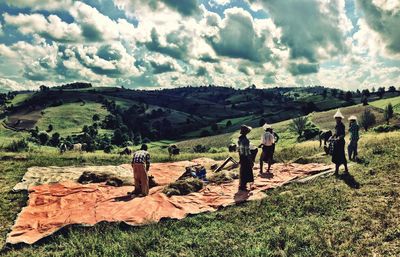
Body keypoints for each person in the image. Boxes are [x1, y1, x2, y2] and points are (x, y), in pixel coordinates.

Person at [332, 109, 349, 175]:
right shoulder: (336, 125)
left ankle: (337, 171)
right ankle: (342, 170)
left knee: (340, 155)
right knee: (337, 156)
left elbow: (343, 134)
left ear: (340, 118)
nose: (336, 119)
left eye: (337, 118)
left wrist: (338, 138)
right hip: (337, 142)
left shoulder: (342, 125)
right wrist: (332, 136)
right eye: (336, 118)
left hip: (341, 142)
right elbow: (336, 133)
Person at [238, 125, 254, 191]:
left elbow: (239, 150)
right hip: (245, 157)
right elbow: (247, 152)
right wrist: (251, 160)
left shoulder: (240, 139)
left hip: (241, 156)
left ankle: (242, 185)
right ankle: (243, 186)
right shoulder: (246, 140)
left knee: (242, 170)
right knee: (247, 171)